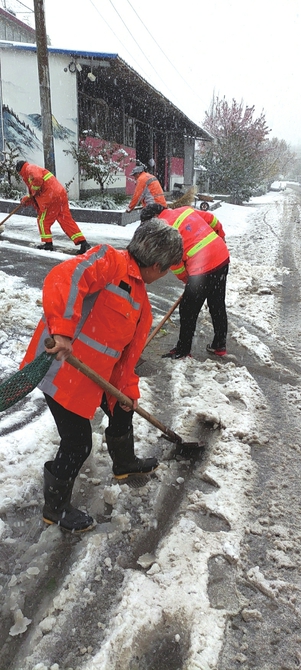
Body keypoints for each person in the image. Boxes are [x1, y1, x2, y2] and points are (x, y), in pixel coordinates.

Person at [20, 219, 183, 532]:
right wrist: (64, 331)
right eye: (166, 271)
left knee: (122, 409)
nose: (164, 277)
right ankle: (55, 509)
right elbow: (64, 277)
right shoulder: (110, 262)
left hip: (93, 381)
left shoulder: (141, 303)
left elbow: (126, 360)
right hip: (60, 373)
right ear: (157, 265)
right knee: (78, 442)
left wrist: (126, 391)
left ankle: (124, 463)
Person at [140, 204, 230, 359]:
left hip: (202, 267)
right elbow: (212, 220)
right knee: (217, 303)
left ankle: (183, 350)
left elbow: (175, 264)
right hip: (221, 256)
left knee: (188, 310)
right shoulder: (185, 210)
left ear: (154, 218)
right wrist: (220, 237)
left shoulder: (163, 230)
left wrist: (188, 280)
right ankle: (219, 345)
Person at [16, 160, 91, 254]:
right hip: (59, 195)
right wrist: (26, 200)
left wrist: (32, 193)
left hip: (51, 197)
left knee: (43, 221)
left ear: (20, 170)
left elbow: (37, 182)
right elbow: (35, 192)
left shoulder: (29, 169)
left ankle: (48, 244)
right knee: (66, 220)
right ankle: (83, 243)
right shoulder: (32, 170)